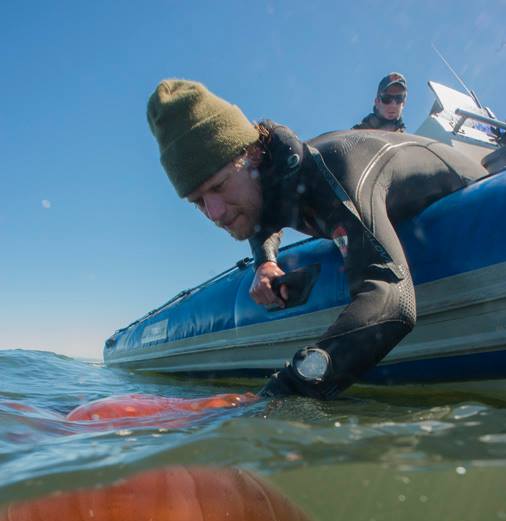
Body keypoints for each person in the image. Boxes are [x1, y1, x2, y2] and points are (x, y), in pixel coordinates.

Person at [147, 79, 485, 400]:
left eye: (219, 186)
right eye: (198, 201)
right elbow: (264, 222)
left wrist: (272, 398)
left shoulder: (334, 172)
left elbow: (393, 302)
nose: (215, 212)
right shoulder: (271, 185)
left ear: (252, 155)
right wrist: (265, 261)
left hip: (473, 189)